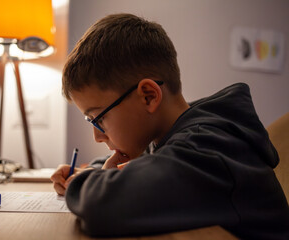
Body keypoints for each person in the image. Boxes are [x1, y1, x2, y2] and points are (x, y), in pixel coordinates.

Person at [50, 13, 289, 239]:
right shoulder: (185, 135)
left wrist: (80, 184)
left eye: (98, 119)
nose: (97, 136)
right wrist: (88, 172)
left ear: (148, 96)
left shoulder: (207, 150)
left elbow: (101, 208)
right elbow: (147, 163)